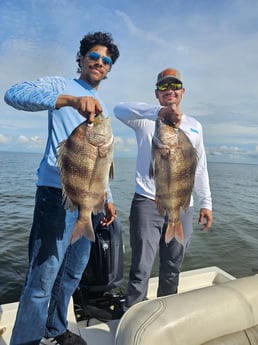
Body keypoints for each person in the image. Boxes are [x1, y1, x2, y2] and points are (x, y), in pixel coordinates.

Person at [4, 31, 119, 345]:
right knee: (41, 280)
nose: (99, 63)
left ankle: (54, 330)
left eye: (105, 60)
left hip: (91, 200)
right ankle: (26, 340)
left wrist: (107, 197)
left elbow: (101, 159)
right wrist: (69, 100)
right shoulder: (62, 86)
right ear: (81, 58)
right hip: (56, 194)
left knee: (71, 274)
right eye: (93, 56)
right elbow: (13, 94)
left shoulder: (102, 103)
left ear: (109, 69)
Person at [114, 67, 213, 309]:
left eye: (175, 86)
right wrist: (159, 112)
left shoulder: (195, 126)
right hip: (147, 202)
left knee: (172, 267)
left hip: (182, 203)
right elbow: (118, 109)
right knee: (141, 266)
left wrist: (206, 202)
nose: (170, 90)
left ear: (183, 92)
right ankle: (132, 315)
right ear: (157, 93)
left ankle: (165, 313)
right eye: (163, 87)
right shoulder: (145, 120)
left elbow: (199, 167)